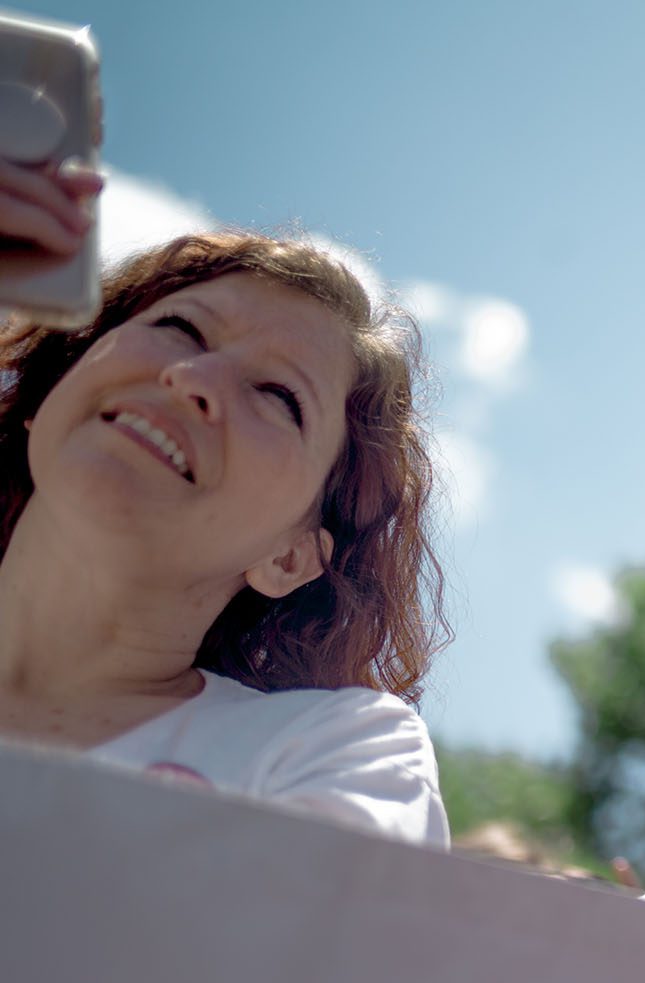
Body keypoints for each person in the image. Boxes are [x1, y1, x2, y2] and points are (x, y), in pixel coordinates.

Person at [0, 224, 449, 848]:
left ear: (290, 557)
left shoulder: (333, 751)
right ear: (53, 387)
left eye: (277, 396)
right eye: (180, 330)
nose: (195, 377)